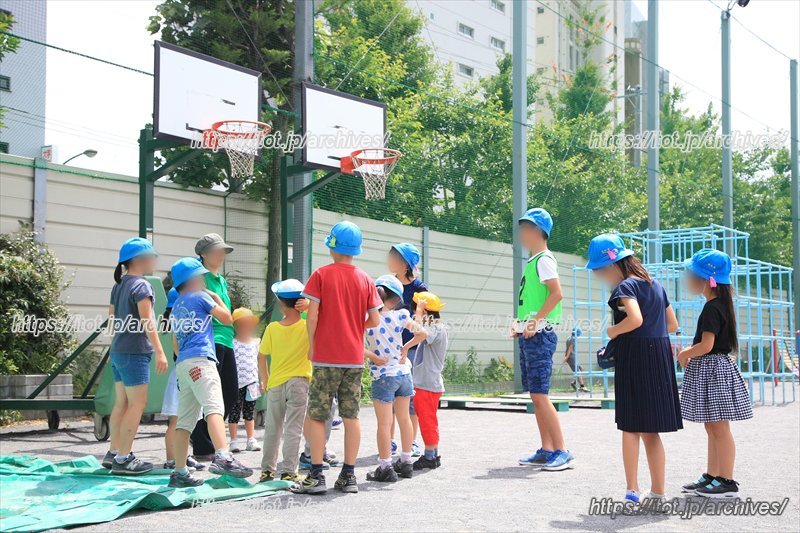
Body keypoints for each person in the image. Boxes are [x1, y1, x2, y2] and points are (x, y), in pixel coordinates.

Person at [586, 233, 682, 503]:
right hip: (659, 357)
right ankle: (659, 493)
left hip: (636, 357)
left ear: (611, 266)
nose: (600, 276)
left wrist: (613, 331)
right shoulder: (655, 285)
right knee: (652, 430)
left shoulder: (624, 287)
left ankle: (632, 490)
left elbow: (635, 319)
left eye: (599, 271)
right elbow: (672, 325)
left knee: (630, 427)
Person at [293, 221, 382, 495]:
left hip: (326, 357)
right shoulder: (366, 279)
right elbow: (374, 319)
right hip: (353, 359)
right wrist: (354, 326)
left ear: (332, 245)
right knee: (351, 415)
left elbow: (313, 315)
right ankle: (348, 475)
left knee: (318, 415)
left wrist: (312, 345)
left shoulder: (320, 275)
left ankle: (316, 476)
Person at [167, 257, 252, 487]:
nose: (204, 279)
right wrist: (216, 297)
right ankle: (223, 456)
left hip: (183, 365)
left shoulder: (176, 306)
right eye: (201, 276)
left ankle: (179, 472)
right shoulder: (202, 296)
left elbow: (175, 342)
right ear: (193, 280)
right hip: (202, 361)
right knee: (214, 406)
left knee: (185, 421)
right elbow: (227, 319)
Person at [678, 249, 752, 498]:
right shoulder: (718, 305)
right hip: (713, 370)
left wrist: (683, 354)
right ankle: (712, 475)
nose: (687, 279)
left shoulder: (712, 308)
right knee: (713, 427)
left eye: (690, 274)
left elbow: (707, 346)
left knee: (719, 428)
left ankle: (727, 480)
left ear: (706, 280)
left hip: (713, 371)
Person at [102, 237, 168, 475]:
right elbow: (147, 321)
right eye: (152, 256)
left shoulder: (118, 285)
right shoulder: (141, 286)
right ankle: (123, 458)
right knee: (137, 405)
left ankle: (113, 453)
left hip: (120, 351)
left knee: (122, 403)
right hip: (135, 352)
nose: (155, 260)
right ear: (139, 260)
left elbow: (112, 321)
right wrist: (160, 351)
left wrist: (113, 348)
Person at [514, 208, 574, 471]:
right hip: (530, 334)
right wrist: (520, 324)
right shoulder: (533, 261)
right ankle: (547, 448)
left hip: (541, 335)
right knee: (535, 395)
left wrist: (536, 322)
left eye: (526, 228)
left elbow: (556, 294)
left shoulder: (544, 259)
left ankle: (561, 450)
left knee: (541, 394)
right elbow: (532, 301)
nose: (521, 233)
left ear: (538, 231)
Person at [364, 275, 426, 482]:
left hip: (383, 376)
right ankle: (407, 462)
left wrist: (373, 356)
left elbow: (355, 343)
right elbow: (422, 333)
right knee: (404, 418)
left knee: (384, 423)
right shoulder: (401, 315)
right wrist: (405, 349)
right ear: (396, 298)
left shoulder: (367, 319)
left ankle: (385, 467)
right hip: (403, 374)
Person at [258, 279, 313, 483]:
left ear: (281, 303)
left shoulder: (273, 328)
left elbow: (261, 356)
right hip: (299, 383)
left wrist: (265, 380)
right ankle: (289, 471)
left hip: (275, 383)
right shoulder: (307, 325)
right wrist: (308, 308)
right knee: (293, 428)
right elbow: (325, 317)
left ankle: (267, 471)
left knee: (273, 428)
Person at [191, 233, 238, 457]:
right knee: (211, 395)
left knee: (231, 394)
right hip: (211, 340)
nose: (221, 255)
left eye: (222, 251)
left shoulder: (221, 279)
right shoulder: (199, 278)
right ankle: (202, 442)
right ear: (203, 254)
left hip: (227, 340)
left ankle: (203, 436)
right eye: (216, 251)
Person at [387, 243, 428, 456]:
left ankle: (411, 441)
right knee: (390, 399)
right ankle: (391, 441)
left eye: (392, 256)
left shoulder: (420, 289)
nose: (388, 258)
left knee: (409, 398)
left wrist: (409, 345)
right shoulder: (387, 285)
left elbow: (426, 321)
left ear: (404, 263)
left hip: (411, 350)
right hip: (389, 349)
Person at [161, 287, 205, 472]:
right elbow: (179, 351)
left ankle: (184, 456)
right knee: (176, 421)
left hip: (186, 375)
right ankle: (172, 459)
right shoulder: (178, 326)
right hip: (182, 376)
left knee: (187, 420)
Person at [409, 291, 448, 470]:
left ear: (426, 313)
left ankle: (430, 456)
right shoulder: (435, 328)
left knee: (427, 421)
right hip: (427, 383)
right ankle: (433, 453)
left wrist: (419, 310)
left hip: (427, 385)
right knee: (429, 420)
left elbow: (418, 331)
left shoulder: (435, 328)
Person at [229, 308, 262, 453]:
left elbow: (260, 361)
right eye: (242, 324)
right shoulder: (232, 342)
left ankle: (251, 439)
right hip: (235, 383)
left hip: (252, 382)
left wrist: (262, 379)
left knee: (249, 412)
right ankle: (233, 440)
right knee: (234, 412)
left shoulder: (256, 342)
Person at [563, 329, 588, 393]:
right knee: (578, 371)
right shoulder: (573, 339)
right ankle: (582, 386)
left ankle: (574, 382)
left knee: (580, 368)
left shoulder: (569, 338)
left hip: (573, 357)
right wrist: (566, 357)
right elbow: (570, 349)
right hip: (571, 357)